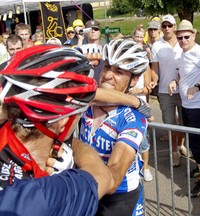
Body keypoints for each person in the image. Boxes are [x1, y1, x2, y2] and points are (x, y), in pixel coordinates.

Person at [0, 45, 114, 215]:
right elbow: (105, 179)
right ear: (62, 122)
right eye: (78, 114)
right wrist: (70, 152)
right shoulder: (47, 195)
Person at [79, 39, 149, 215]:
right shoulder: (86, 104)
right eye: (107, 66)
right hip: (89, 186)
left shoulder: (132, 117)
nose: (108, 75)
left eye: (118, 72)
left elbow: (114, 175)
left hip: (119, 197)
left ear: (134, 80)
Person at [168, 19, 200, 197]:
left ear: (193, 35)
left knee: (197, 142)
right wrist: (174, 81)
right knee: (195, 140)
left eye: (187, 37)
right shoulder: (182, 53)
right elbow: (182, 74)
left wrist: (198, 86)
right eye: (180, 38)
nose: (183, 40)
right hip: (187, 104)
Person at [150, 14, 185, 167]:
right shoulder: (156, 45)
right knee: (170, 124)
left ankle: (180, 145)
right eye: (164, 26)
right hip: (165, 91)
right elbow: (154, 69)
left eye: (169, 25)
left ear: (175, 27)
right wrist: (153, 82)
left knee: (183, 123)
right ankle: (174, 152)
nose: (166, 28)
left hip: (184, 90)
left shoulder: (184, 42)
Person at [130, 25, 153, 182]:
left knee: (143, 139)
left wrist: (136, 92)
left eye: (141, 37)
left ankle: (145, 168)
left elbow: (148, 89)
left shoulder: (145, 64)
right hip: (127, 106)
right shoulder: (127, 62)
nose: (139, 40)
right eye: (136, 37)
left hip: (140, 104)